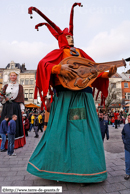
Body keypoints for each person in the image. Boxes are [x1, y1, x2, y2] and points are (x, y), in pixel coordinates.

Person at [27, 3, 117, 183]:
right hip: (65, 98)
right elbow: (42, 65)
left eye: (72, 36)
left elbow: (94, 71)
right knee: (63, 131)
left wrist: (109, 73)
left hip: (83, 97)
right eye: (67, 36)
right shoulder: (57, 53)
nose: (71, 38)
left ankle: (87, 171)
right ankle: (57, 170)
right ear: (61, 38)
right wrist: (58, 68)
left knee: (82, 131)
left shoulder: (82, 54)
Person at [0, 71, 26, 149]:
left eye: (14, 76)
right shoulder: (5, 86)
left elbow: (21, 99)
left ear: (16, 77)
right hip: (6, 107)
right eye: (11, 76)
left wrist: (22, 110)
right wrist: (5, 99)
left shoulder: (20, 86)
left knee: (15, 125)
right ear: (9, 77)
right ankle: (4, 144)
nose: (12, 77)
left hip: (15, 107)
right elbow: (1, 97)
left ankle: (14, 144)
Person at [121, 114, 130, 180]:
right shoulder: (126, 126)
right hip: (127, 147)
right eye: (128, 118)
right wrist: (124, 141)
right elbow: (123, 134)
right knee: (127, 161)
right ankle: (127, 173)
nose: (129, 119)